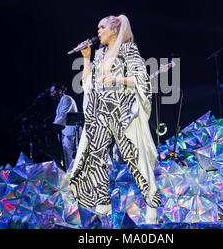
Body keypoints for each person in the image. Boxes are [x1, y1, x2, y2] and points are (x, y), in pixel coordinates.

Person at [69, 14, 161, 224]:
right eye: (98, 28)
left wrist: (117, 78)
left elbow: (142, 80)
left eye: (102, 28)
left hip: (123, 112)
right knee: (95, 155)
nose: (98, 32)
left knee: (134, 158)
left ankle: (152, 205)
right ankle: (103, 203)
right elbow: (88, 84)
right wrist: (86, 57)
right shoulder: (100, 54)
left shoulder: (128, 49)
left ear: (114, 30)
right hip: (101, 112)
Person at [50, 83, 78, 170]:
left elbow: (63, 115)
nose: (51, 94)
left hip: (70, 133)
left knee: (71, 157)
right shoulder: (61, 102)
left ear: (60, 91)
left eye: (53, 92)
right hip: (64, 133)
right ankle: (69, 177)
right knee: (66, 158)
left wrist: (52, 126)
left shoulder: (67, 99)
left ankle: (73, 177)